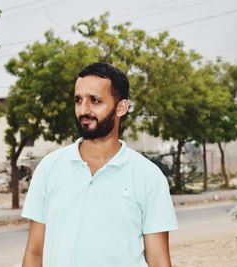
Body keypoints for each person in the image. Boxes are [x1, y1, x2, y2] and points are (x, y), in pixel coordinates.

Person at [21, 62, 178, 267]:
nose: (83, 110)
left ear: (121, 107)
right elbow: (34, 253)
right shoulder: (49, 168)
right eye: (78, 100)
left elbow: (158, 261)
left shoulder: (148, 176)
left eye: (95, 100)